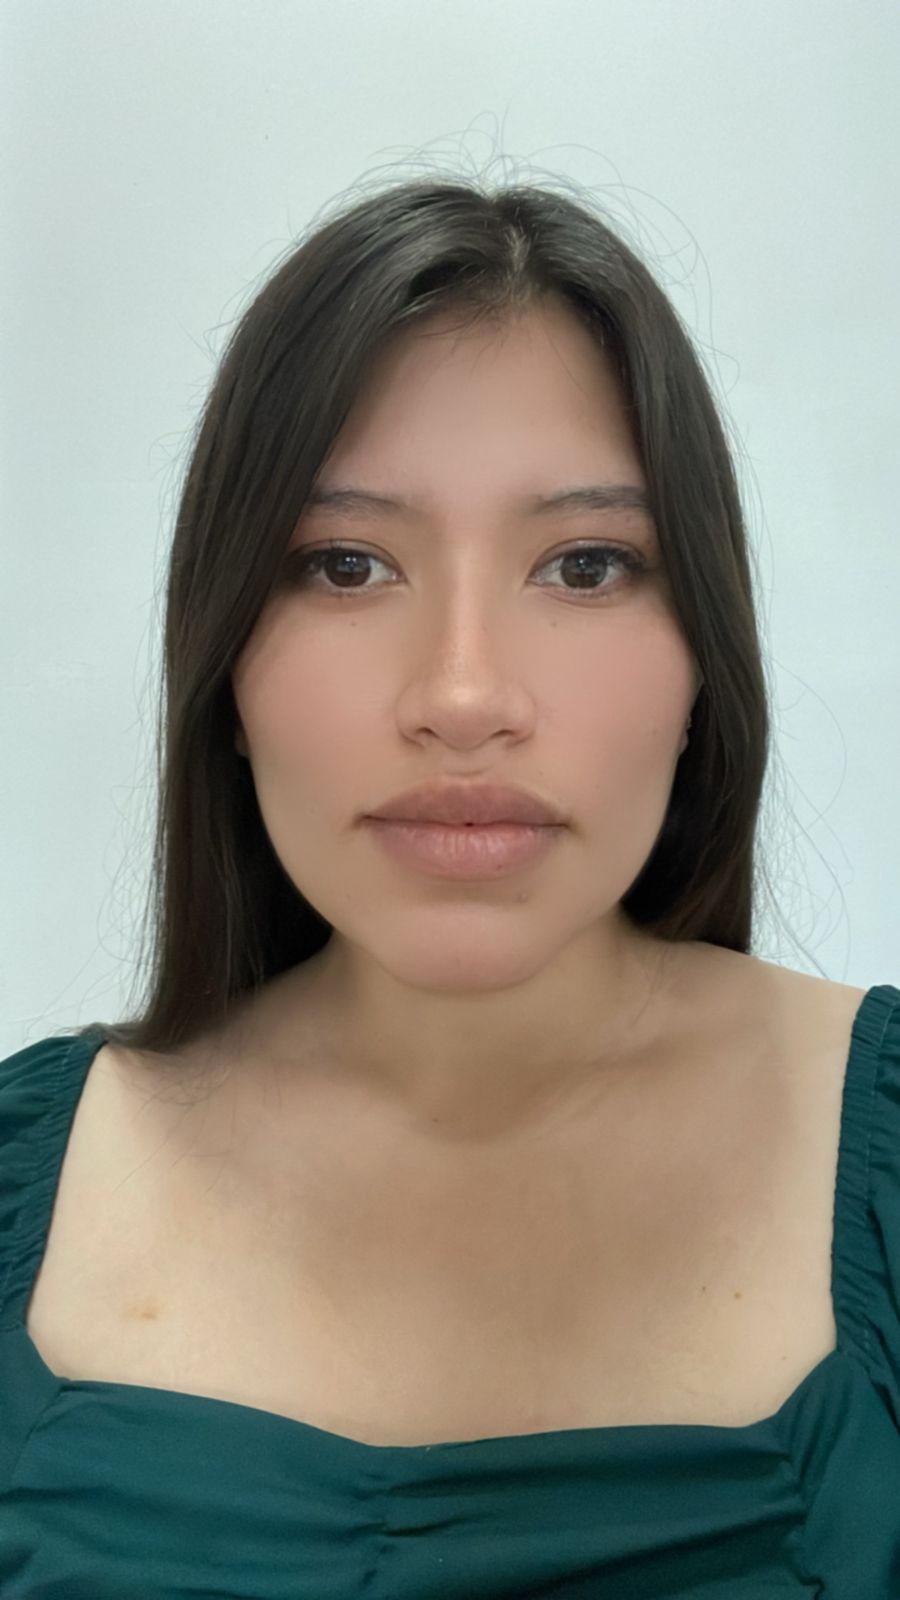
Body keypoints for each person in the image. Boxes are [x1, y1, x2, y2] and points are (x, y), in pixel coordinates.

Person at [2, 176, 898, 1597]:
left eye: (586, 565)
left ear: (703, 664)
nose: (465, 696)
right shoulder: (24, 1181)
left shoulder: (881, 1164)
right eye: (345, 565)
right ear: (224, 667)